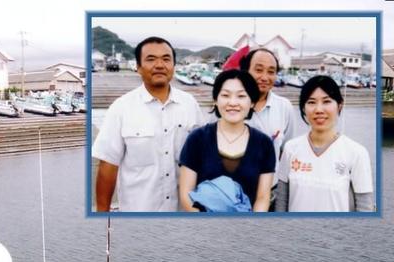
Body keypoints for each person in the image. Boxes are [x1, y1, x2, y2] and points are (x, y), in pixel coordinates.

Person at [92, 36, 204, 212]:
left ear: (174, 66)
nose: (159, 65)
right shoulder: (121, 108)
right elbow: (108, 165)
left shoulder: (190, 105)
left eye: (166, 59)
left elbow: (202, 158)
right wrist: (102, 215)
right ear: (138, 67)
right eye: (150, 59)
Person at [178, 70, 276, 212]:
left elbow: (262, 197)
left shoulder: (264, 143)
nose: (233, 102)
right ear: (216, 100)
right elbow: (187, 193)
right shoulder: (197, 138)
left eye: (241, 96)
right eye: (225, 95)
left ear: (252, 102)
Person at [276, 75, 374, 212]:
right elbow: (281, 201)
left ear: (340, 105)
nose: (319, 110)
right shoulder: (291, 148)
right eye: (311, 102)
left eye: (327, 101)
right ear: (303, 108)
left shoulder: (357, 152)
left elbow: (365, 207)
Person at [240, 48, 301, 180]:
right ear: (246, 71)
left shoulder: (285, 107)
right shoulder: (229, 105)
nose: (265, 77)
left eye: (271, 72)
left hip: (270, 192)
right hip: (230, 192)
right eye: (258, 70)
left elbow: (287, 152)